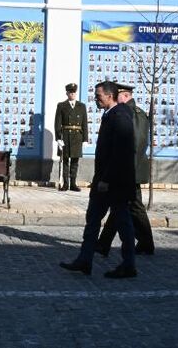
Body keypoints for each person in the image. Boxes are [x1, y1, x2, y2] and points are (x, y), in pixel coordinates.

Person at [59, 81, 137, 279]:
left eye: (99, 95)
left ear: (110, 96)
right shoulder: (111, 115)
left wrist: (107, 179)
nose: (96, 98)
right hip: (103, 181)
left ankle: (129, 264)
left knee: (123, 223)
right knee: (93, 219)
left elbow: (120, 153)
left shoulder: (120, 117)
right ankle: (85, 260)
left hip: (114, 183)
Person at [96, 83, 155, 256]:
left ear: (125, 95)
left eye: (117, 94)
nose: (114, 97)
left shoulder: (133, 113)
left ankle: (146, 243)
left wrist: (125, 171)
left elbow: (134, 145)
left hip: (130, 171)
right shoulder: (127, 112)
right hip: (127, 170)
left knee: (134, 207)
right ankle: (104, 243)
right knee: (120, 206)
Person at [54, 82, 88, 191]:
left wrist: (85, 139)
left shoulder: (81, 106)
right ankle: (65, 184)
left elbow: (84, 124)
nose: (72, 94)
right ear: (67, 93)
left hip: (77, 136)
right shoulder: (61, 105)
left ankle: (73, 183)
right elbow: (57, 123)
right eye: (70, 92)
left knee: (75, 161)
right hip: (65, 136)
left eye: (74, 92)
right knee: (65, 161)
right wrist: (58, 138)